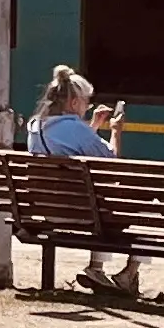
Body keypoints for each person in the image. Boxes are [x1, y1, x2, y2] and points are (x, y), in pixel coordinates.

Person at [29, 65, 118, 290]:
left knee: (101, 202)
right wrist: (116, 130)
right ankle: (125, 272)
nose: (88, 106)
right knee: (136, 205)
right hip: (81, 215)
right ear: (74, 103)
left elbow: (68, 146)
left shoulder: (35, 127)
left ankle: (98, 270)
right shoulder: (75, 128)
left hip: (47, 211)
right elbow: (111, 161)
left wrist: (93, 127)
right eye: (86, 101)